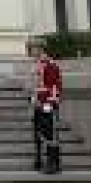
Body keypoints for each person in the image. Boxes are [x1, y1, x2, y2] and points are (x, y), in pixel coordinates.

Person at [29, 37, 62, 174]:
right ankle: (40, 159)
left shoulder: (50, 65)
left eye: (33, 48)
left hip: (48, 104)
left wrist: (50, 102)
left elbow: (55, 87)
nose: (31, 51)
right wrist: (34, 98)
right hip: (38, 104)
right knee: (39, 132)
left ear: (40, 49)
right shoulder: (36, 65)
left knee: (50, 133)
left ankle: (53, 163)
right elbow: (36, 86)